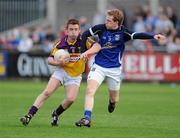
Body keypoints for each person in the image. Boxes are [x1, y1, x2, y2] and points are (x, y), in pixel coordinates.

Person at [75, 9, 166, 127]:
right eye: (106, 19)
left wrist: (153, 36)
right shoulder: (101, 28)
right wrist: (84, 52)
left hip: (114, 70)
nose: (106, 22)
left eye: (109, 20)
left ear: (116, 22)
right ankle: (87, 118)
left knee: (114, 99)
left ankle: (112, 103)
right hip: (98, 66)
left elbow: (137, 34)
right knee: (90, 90)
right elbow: (85, 34)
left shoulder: (123, 33)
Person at [20, 19, 87, 126]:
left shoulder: (84, 41)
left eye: (76, 29)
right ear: (66, 30)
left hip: (75, 75)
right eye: (71, 29)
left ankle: (56, 113)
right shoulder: (60, 43)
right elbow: (49, 60)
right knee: (47, 92)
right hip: (61, 71)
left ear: (79, 30)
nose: (74, 32)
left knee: (71, 99)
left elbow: (96, 46)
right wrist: (58, 63)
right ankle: (29, 115)